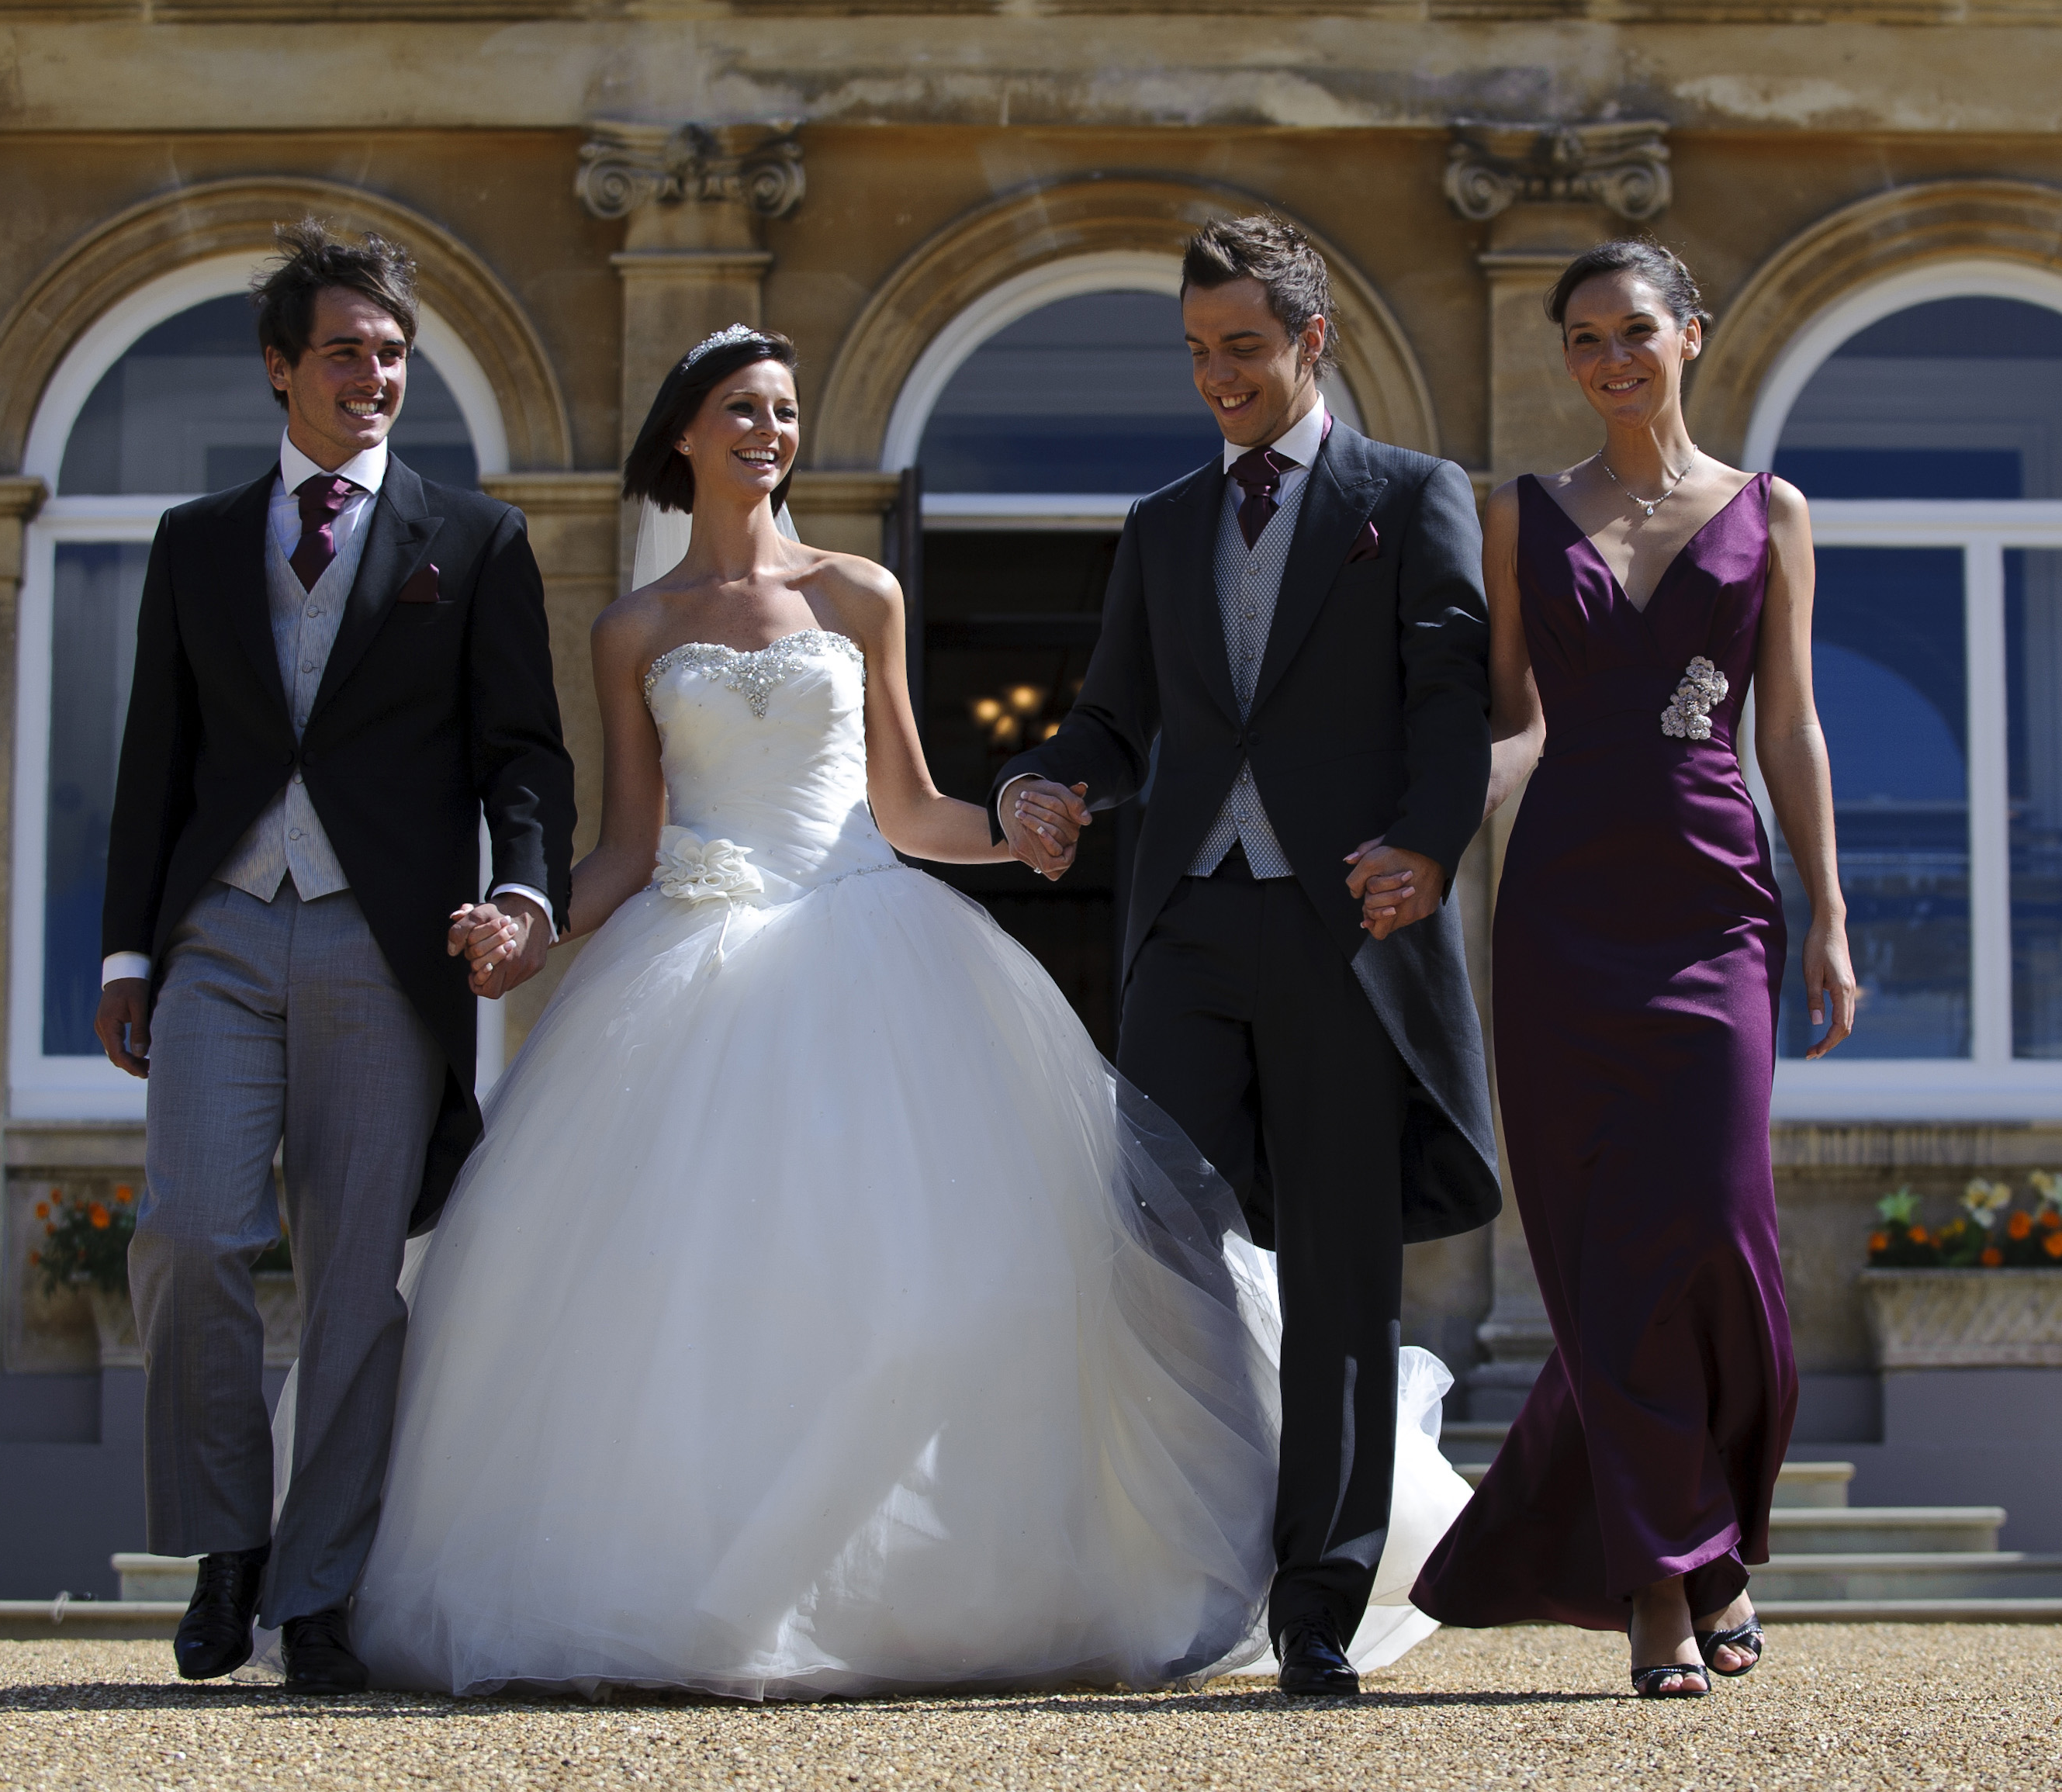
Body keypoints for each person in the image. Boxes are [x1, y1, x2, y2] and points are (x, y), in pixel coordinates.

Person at [340, 323, 1471, 1699]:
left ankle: (936, 1585)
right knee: (692, 1297)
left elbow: (908, 806)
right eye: (743, 410)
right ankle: (703, 1590)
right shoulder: (630, 627)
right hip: (685, 964)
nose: (770, 432)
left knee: (959, 1279)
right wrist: (525, 917)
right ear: (683, 435)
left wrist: (1023, 824)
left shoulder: (860, 590)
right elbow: (628, 844)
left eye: (786, 410)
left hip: (871, 942)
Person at [995, 215, 1500, 1697]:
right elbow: (1114, 720)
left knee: (1342, 1273)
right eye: (1197, 352)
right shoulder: (1158, 525)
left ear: (1310, 343)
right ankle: (1180, 1550)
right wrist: (1047, 779)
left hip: (1349, 921)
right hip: (1187, 929)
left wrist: (1424, 842)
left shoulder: (1411, 500)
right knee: (1149, 1245)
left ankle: (1321, 1599)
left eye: (1243, 349)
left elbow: (1453, 698)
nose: (1216, 377)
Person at [95, 219, 575, 1696]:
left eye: (392, 354)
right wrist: (125, 952)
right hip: (220, 933)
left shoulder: (476, 542)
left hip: (390, 941)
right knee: (186, 1232)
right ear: (278, 369)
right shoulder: (193, 541)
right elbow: (152, 766)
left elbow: (524, 756)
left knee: (358, 1283)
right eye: (346, 352)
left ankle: (318, 1589)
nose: (375, 375)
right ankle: (227, 1544)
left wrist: (522, 898)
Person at [1410, 239, 1856, 1698]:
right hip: (1559, 913)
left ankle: (1694, 1534)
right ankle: (1667, 1581)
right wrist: (1429, 836)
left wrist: (1831, 913)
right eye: (1584, 337)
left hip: (1716, 900)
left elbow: (1783, 723)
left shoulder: (1767, 510)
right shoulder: (1516, 517)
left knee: (1716, 1234)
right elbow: (1513, 721)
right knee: (1602, 1258)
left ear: (1691, 337)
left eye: (1635, 332)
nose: (1610, 357)